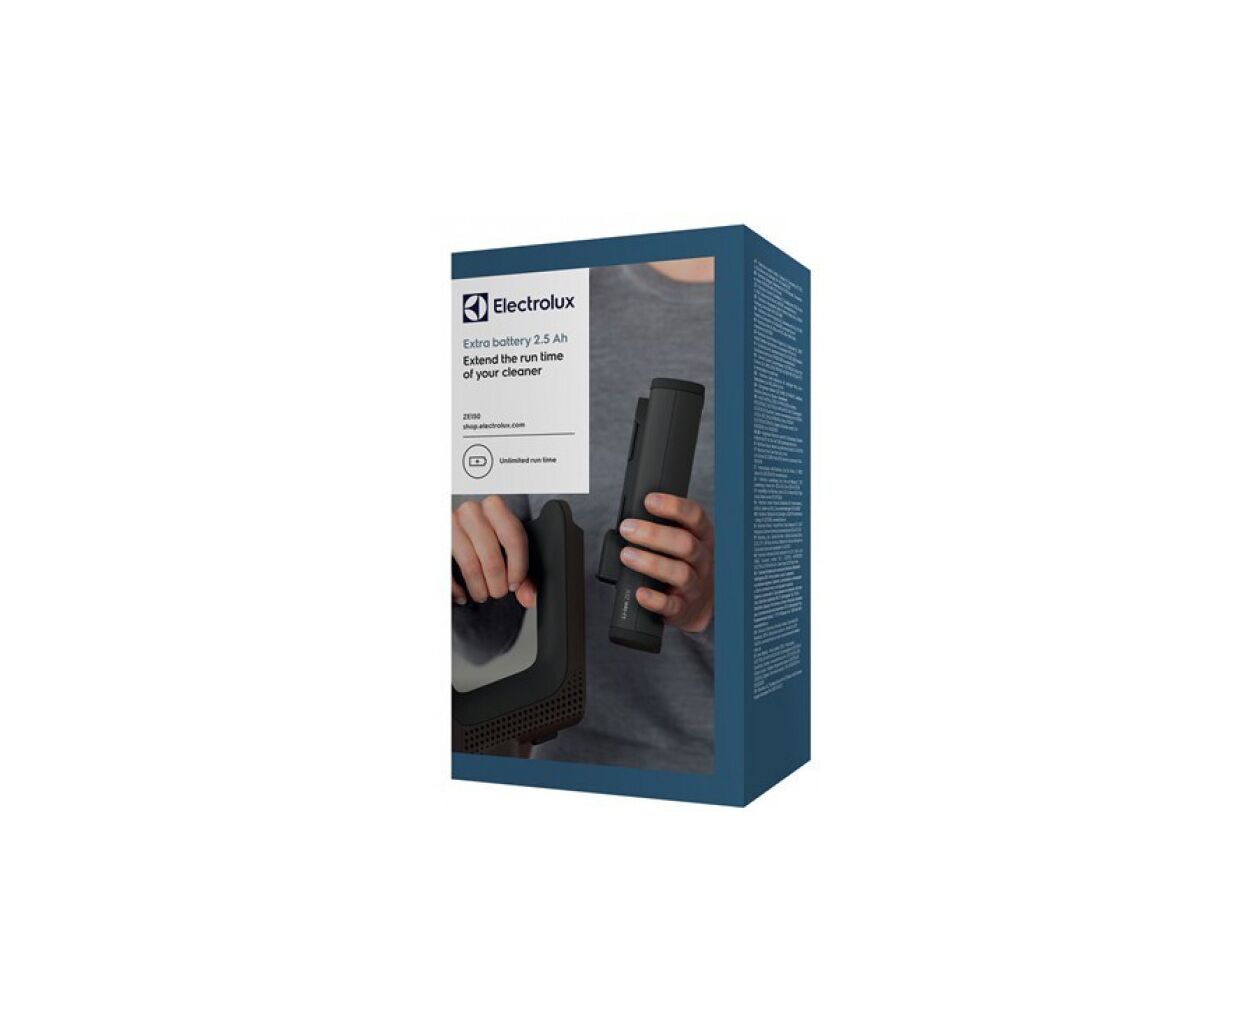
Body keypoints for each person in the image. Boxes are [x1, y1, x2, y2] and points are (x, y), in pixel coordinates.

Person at [452, 259, 715, 772]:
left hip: (731, 768)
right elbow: (489, 635)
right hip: (572, 764)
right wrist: (460, 577)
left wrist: (716, 611)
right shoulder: (543, 309)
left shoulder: (783, 308)